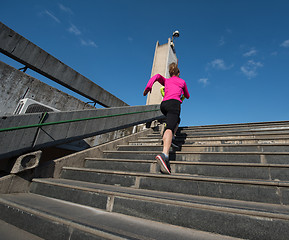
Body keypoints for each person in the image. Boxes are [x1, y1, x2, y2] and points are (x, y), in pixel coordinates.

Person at [143, 63, 190, 174]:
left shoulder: (167, 81)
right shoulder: (182, 81)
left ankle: (171, 137)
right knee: (169, 127)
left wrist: (148, 87)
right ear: (178, 73)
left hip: (164, 105)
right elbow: (187, 95)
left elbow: (157, 76)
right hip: (174, 104)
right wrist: (182, 93)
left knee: (177, 120)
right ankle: (165, 155)